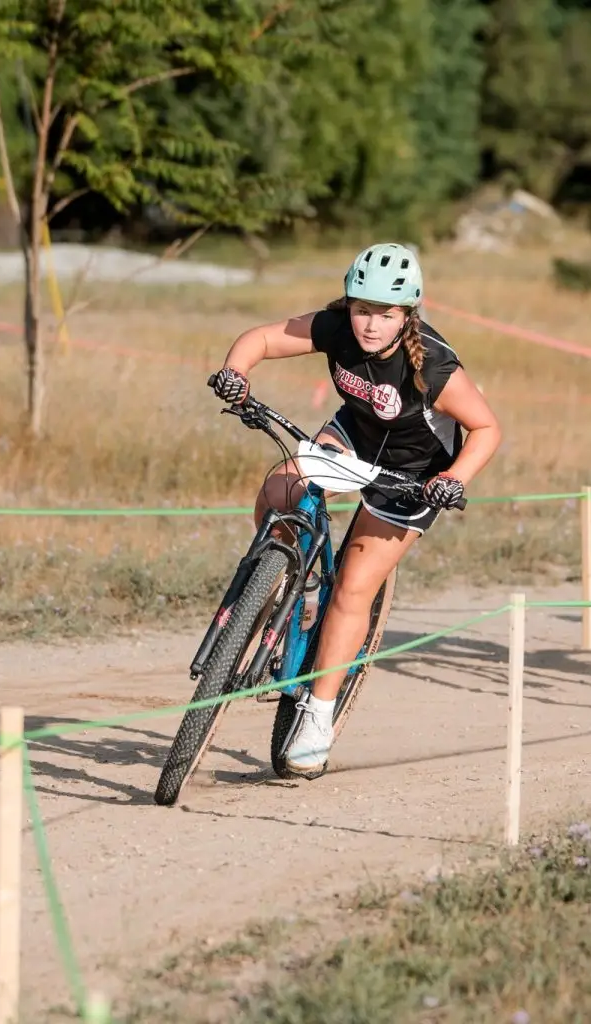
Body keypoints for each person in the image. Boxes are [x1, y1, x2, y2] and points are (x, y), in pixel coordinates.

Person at [209, 243, 502, 776]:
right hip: (355, 438)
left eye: (385, 314)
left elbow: (486, 428)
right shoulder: (337, 326)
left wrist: (453, 480)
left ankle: (318, 717)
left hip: (413, 474)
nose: (370, 324)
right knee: (281, 491)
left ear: (406, 314)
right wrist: (236, 371)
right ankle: (282, 583)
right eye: (362, 308)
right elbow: (262, 338)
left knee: (352, 589)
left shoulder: (434, 365)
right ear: (350, 304)